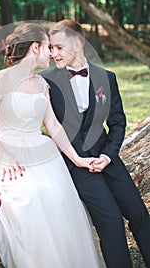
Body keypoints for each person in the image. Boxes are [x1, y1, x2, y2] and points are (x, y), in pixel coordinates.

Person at [0, 23, 103, 268]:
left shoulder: (41, 84)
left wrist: (77, 159)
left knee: (56, 197)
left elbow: (53, 126)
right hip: (7, 155)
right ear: (35, 48)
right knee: (29, 199)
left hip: (44, 156)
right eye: (47, 47)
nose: (51, 53)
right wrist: (4, 157)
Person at [41, 19, 150, 268]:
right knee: (111, 221)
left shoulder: (106, 78)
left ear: (78, 44)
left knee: (140, 215)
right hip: (75, 163)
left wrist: (109, 156)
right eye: (50, 48)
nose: (53, 53)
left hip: (107, 157)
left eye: (59, 47)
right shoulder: (46, 81)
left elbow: (118, 122)